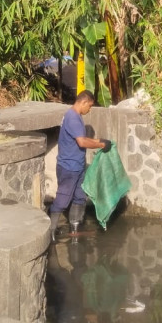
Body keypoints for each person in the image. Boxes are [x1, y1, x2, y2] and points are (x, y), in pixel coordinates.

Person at [50, 90, 111, 240]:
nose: (89, 110)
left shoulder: (74, 116)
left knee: (79, 197)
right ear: (83, 102)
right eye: (89, 106)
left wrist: (99, 141)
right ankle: (50, 231)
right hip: (68, 167)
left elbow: (81, 138)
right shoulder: (73, 118)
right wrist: (101, 144)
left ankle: (75, 228)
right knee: (63, 199)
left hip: (77, 165)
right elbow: (82, 142)